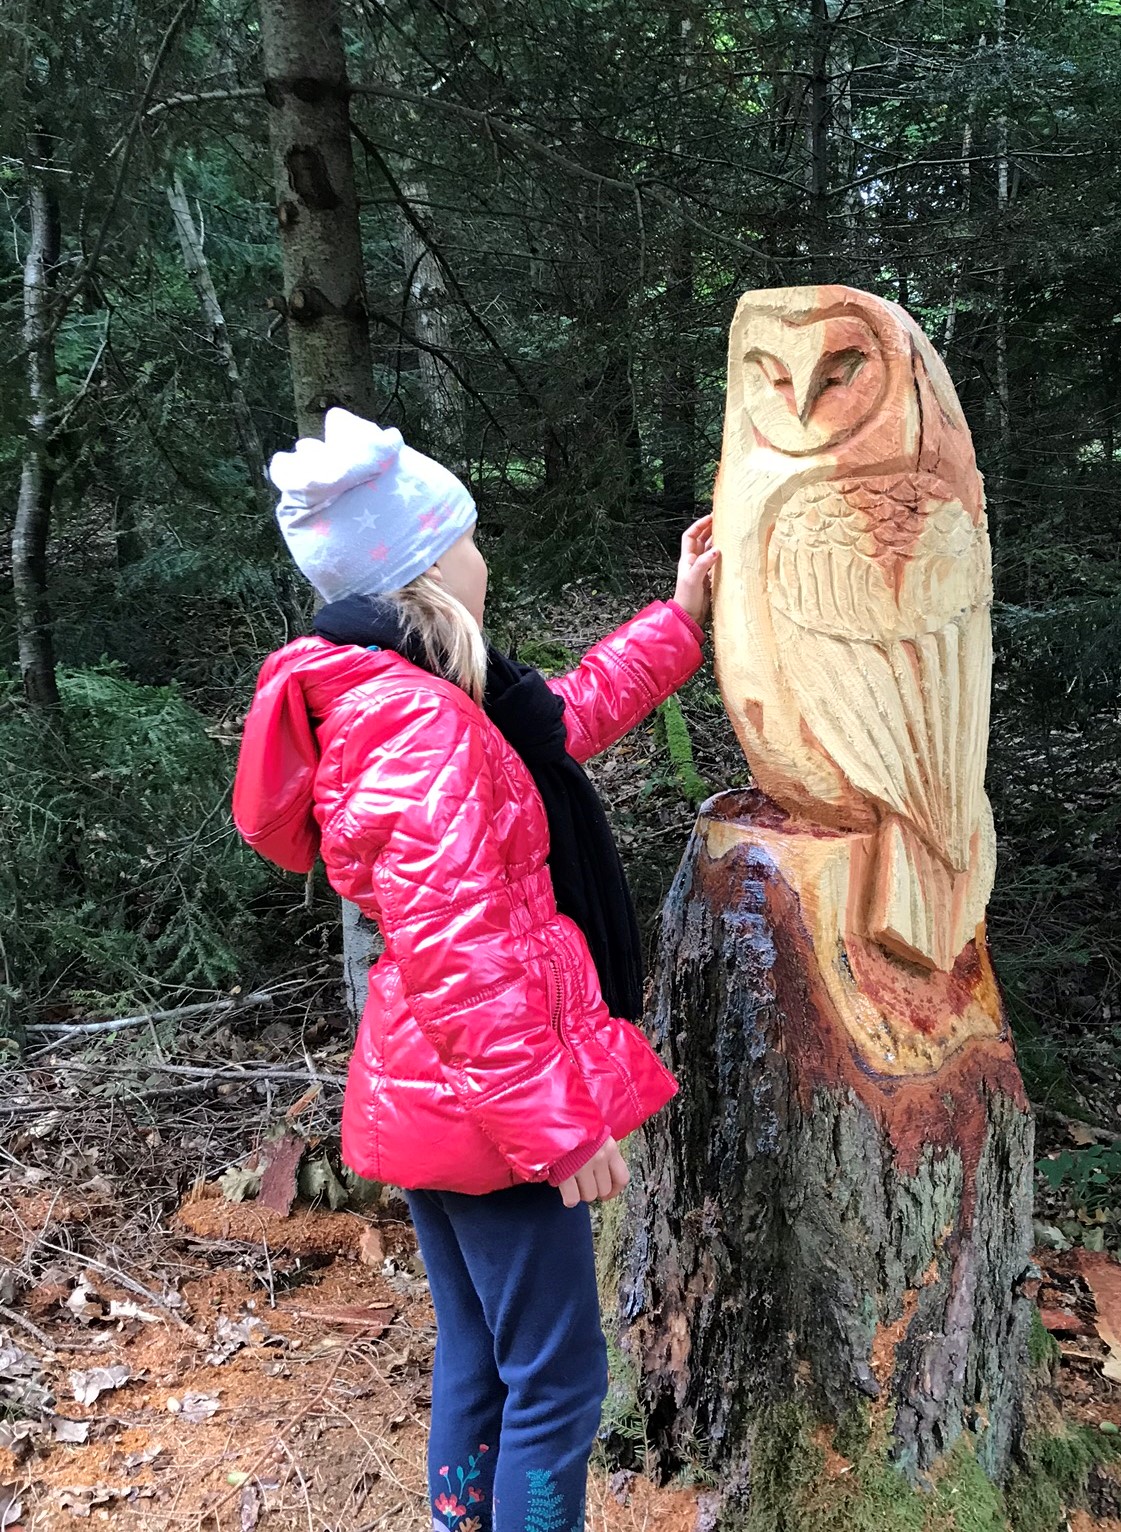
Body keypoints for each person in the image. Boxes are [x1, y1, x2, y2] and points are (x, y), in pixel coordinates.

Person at [231, 408, 718, 1532]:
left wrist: (677, 617)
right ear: (424, 570)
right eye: (468, 537)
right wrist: (559, 1129)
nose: (485, 556)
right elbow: (470, 960)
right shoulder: (421, 728)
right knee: (557, 1381)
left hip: (437, 1101)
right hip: (497, 1122)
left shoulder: (425, 698)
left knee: (488, 1359)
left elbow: (563, 721)